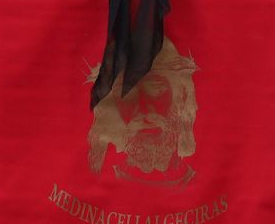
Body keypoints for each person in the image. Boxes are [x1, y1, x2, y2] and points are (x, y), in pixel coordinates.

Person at [85, 39, 199, 188]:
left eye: (155, 89)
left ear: (181, 96)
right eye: (127, 94)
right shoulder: (97, 185)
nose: (144, 110)